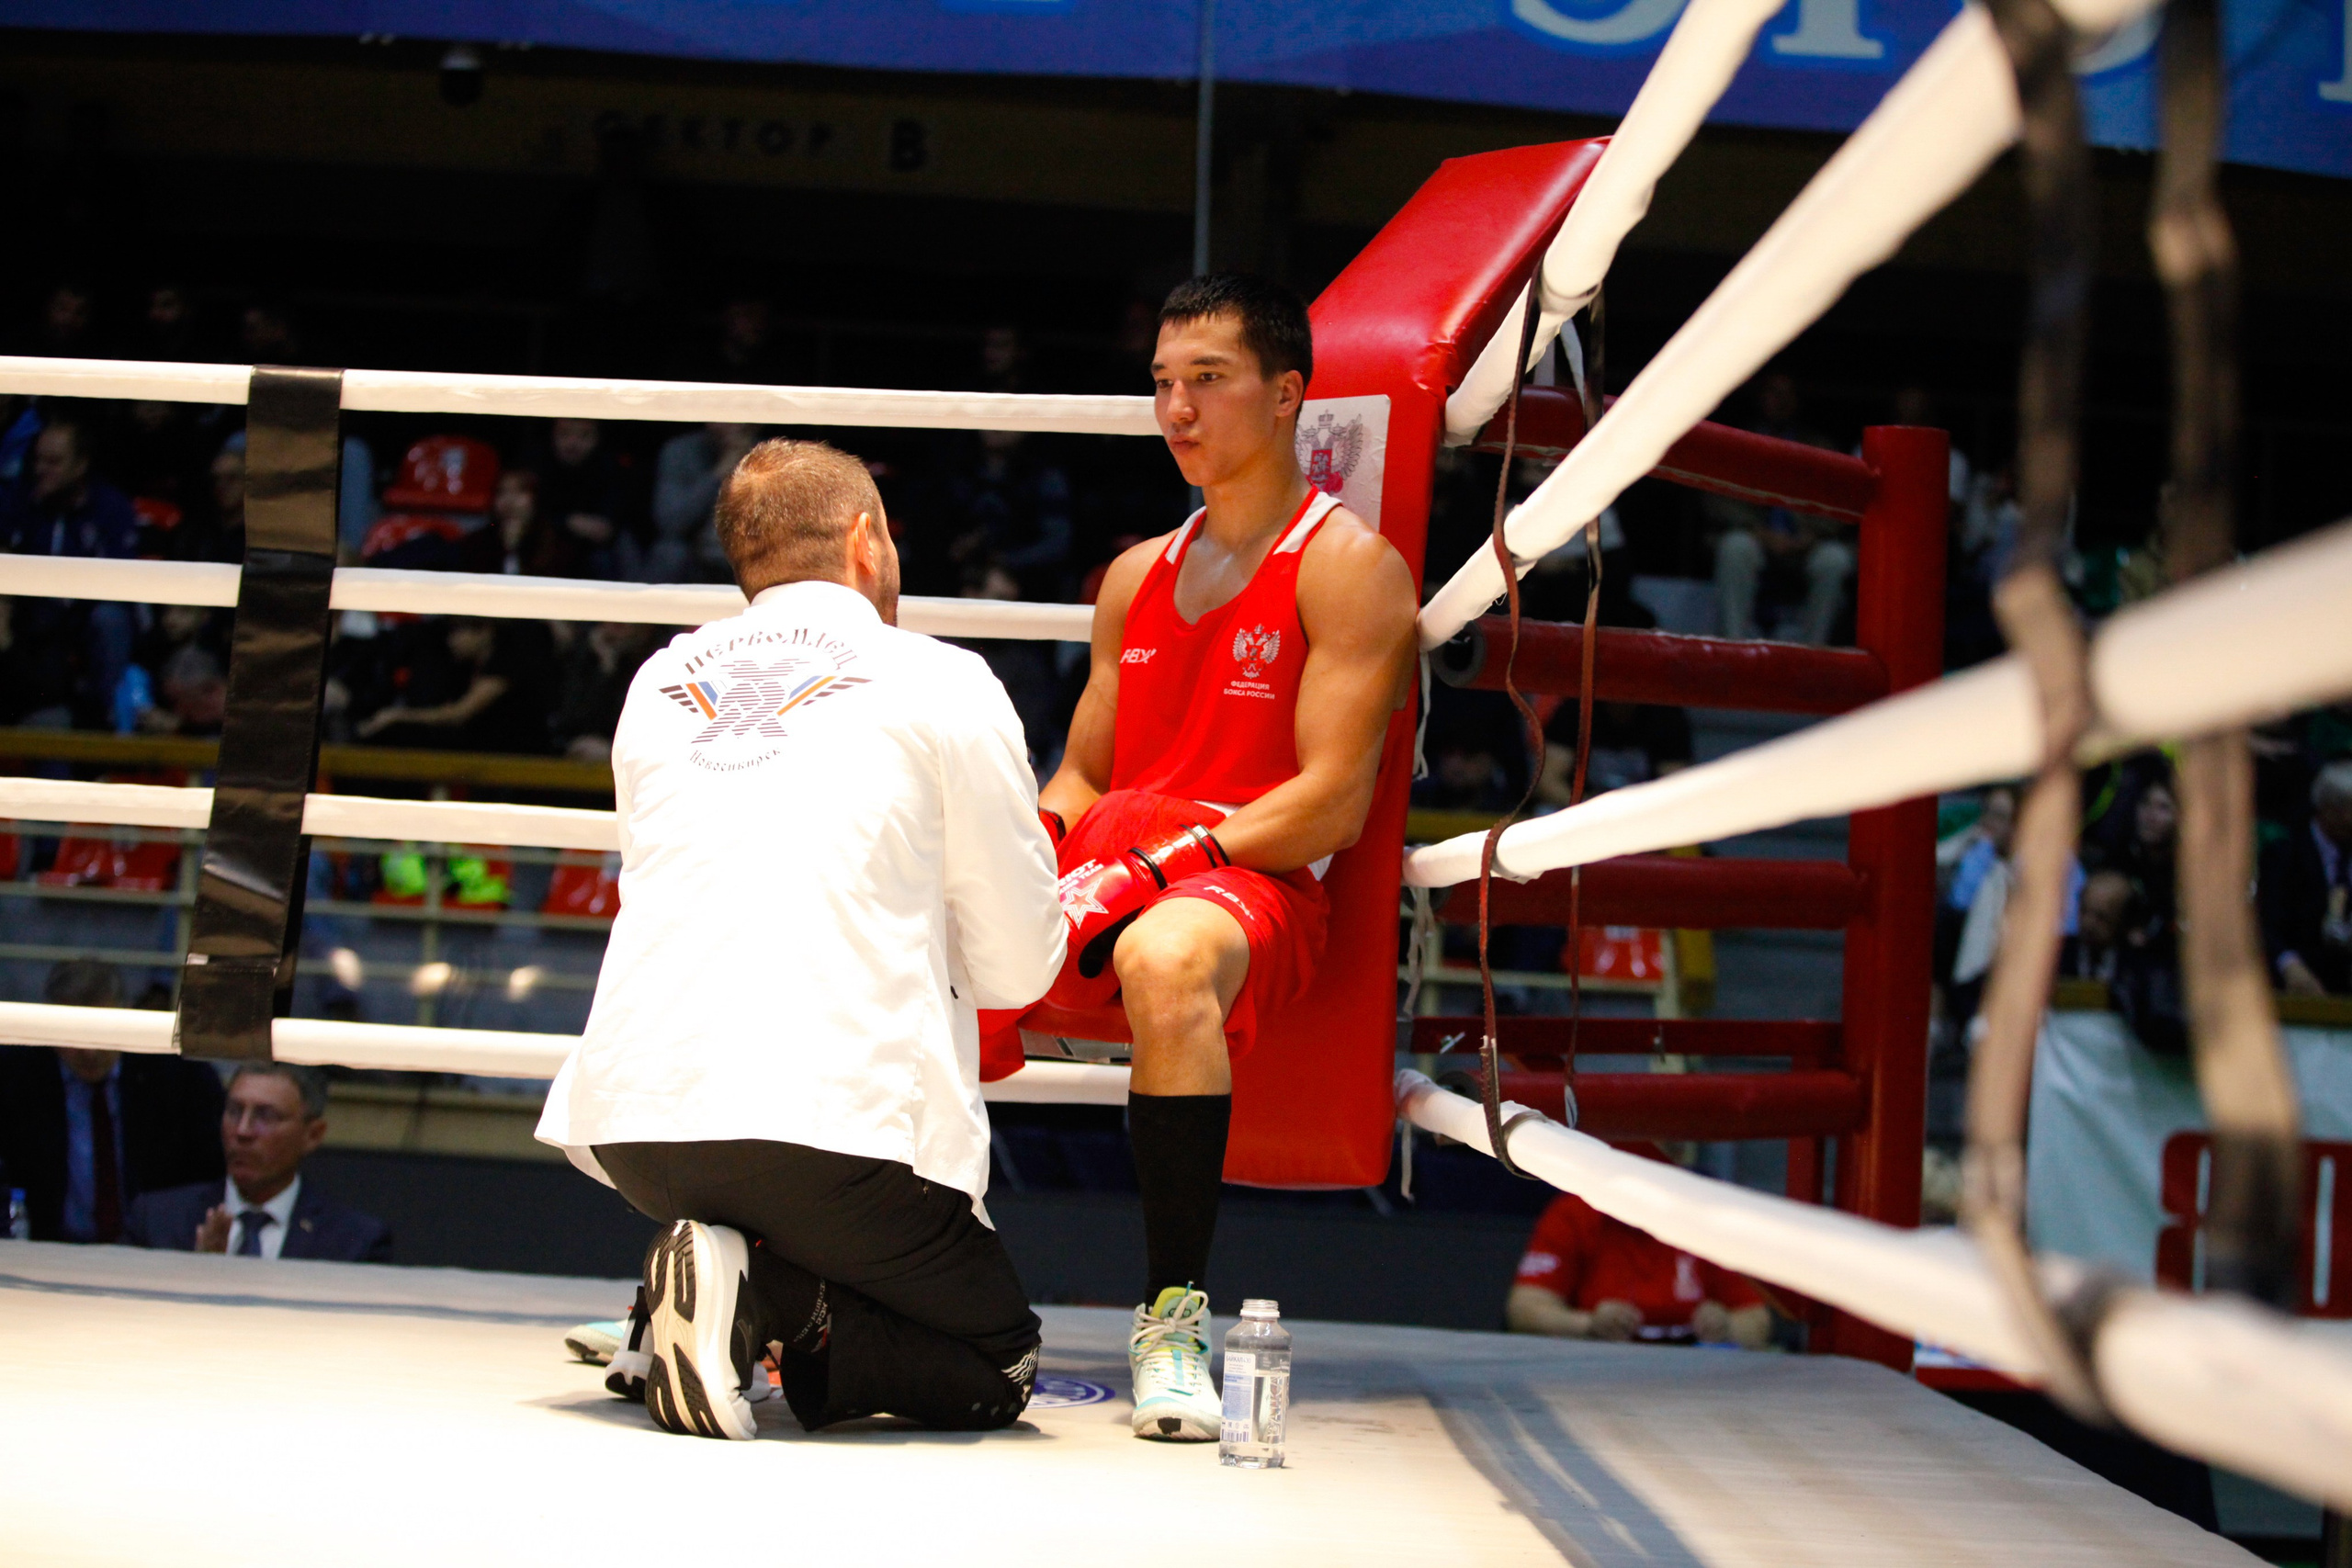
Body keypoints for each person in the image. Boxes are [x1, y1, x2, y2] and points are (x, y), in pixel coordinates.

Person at [535, 438, 1065, 1442]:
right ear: (867, 540)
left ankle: (690, 1304)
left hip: (634, 1129)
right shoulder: (942, 678)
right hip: (828, 1135)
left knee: (808, 1206)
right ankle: (760, 1299)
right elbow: (1020, 963)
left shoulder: (656, 680)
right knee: (999, 1360)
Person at [1021, 274, 1418, 1440]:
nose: (1177, 409)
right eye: (1161, 385)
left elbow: (1330, 804)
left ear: (1287, 394)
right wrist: (1034, 862)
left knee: (1166, 951)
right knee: (896, 924)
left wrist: (1155, 869)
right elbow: (1080, 774)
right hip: (1116, 856)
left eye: (1207, 381)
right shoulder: (1135, 573)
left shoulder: (1350, 567)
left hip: (1250, 881)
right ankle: (824, 1277)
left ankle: (1173, 1316)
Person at [0, 961, 225, 1243]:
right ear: (47, 1027)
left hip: (152, 1250)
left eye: (99, 1033)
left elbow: (206, 1178)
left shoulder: (180, 1079)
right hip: (45, 1246)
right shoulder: (14, 1078)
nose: (89, 1051)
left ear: (124, 1015)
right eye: (72, 1035)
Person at [124, 1064, 391, 1262]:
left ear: (313, 1135)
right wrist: (199, 1276)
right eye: (234, 1112)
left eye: (266, 1116)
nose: (242, 1131)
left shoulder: (354, 1243)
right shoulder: (157, 1222)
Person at [1508, 1189, 1772, 1348]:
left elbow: (1756, 1319)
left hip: (1694, 1379)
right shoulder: (1574, 1215)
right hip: (1601, 1373)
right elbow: (1525, 1309)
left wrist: (1726, 1327)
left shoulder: (1704, 1216)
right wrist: (1587, 1324)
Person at [1709, 371, 1853, 646]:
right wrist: (1761, 533)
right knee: (1734, 547)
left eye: (1788, 395)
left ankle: (1815, 653)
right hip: (1756, 538)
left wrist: (1812, 535)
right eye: (1774, 393)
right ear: (1760, 398)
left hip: (1806, 543)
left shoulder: (1819, 445)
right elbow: (1718, 499)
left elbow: (1838, 502)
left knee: (1835, 559)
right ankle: (1734, 647)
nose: (1781, 402)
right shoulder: (1738, 440)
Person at [2261, 761, 2352, 997]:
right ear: (2329, 809)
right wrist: (2289, 964)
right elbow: (2266, 924)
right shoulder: (2284, 855)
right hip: (2294, 982)